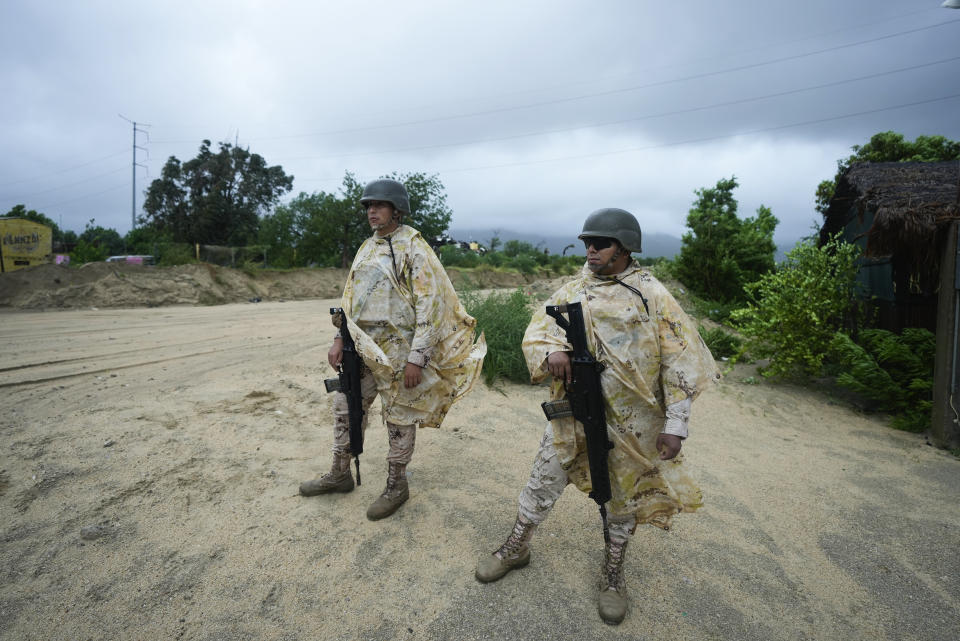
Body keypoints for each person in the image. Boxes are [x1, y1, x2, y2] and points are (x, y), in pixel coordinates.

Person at [475, 208, 718, 625]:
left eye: (601, 243)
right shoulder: (573, 289)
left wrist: (676, 425)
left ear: (623, 249)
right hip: (573, 411)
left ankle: (612, 573)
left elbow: (681, 360)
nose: (591, 249)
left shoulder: (652, 294)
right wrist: (552, 349)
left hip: (633, 419)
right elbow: (538, 329)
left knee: (622, 498)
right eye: (587, 241)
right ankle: (517, 546)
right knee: (544, 477)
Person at [299, 178, 486, 520]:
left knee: (400, 419)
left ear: (396, 210)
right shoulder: (366, 248)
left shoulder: (414, 248)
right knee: (345, 406)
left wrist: (418, 358)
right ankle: (339, 474)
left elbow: (430, 305)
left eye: (379, 206)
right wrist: (340, 338)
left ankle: (396, 484)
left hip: (402, 356)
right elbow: (349, 297)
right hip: (362, 350)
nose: (372, 211)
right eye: (368, 206)